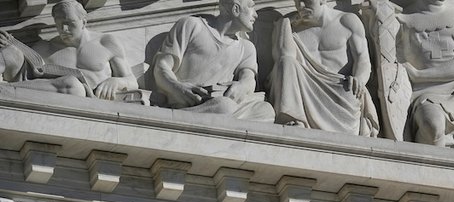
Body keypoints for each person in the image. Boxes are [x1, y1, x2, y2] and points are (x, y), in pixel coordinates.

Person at [370, 0, 454, 151]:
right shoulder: (401, 19)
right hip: (423, 95)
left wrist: (419, 75)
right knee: (432, 123)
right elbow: (389, 63)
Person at [151, 0, 275, 121]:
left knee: (266, 110)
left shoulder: (247, 48)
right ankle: (182, 117)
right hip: (189, 102)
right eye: (251, 6)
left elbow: (248, 79)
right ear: (235, 9)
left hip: (222, 103)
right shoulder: (192, 25)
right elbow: (161, 67)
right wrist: (178, 88)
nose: (255, 14)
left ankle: (213, 119)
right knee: (224, 107)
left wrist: (240, 87)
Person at [269, 0, 379, 135]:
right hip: (304, 90)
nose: (301, 6)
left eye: (306, 1)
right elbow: (284, 58)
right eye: (297, 2)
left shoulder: (347, 21)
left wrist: (359, 79)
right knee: (286, 62)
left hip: (340, 89)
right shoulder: (292, 26)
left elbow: (363, 59)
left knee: (351, 92)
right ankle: (293, 118)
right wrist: (284, 24)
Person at [0, 0, 137, 100]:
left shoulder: (106, 42)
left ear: (83, 22)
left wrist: (117, 81)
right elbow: (21, 72)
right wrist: (9, 45)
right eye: (59, 24)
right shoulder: (45, 47)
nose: (64, 30)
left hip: (93, 103)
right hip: (53, 97)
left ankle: (6, 89)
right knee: (10, 50)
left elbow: (132, 81)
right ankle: (6, 89)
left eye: (70, 24)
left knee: (73, 86)